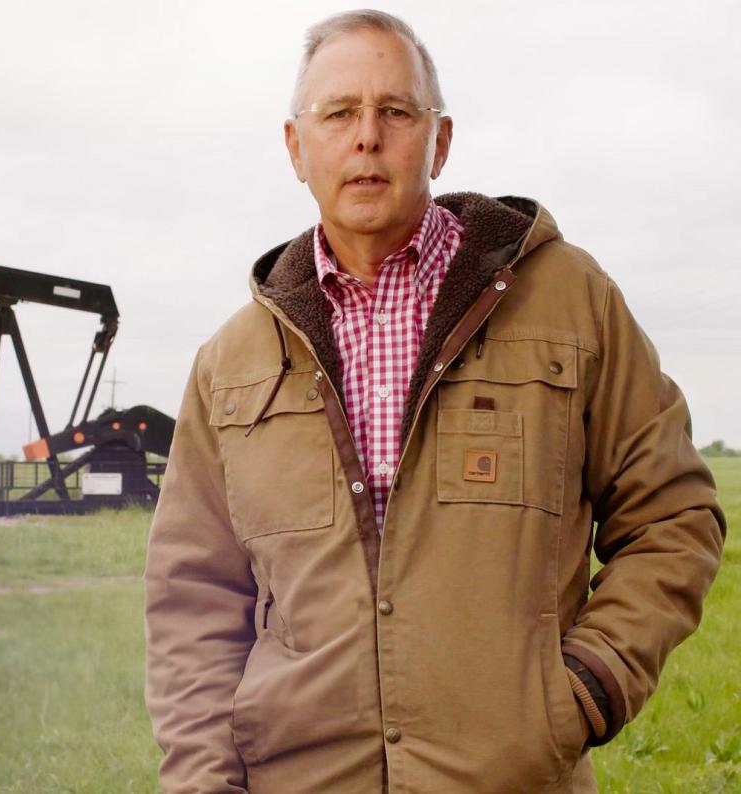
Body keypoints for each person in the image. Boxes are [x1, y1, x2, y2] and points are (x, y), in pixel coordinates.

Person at [144, 9, 726, 793]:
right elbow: (193, 601)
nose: (366, 138)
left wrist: (585, 687)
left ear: (440, 140)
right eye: (339, 113)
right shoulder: (232, 364)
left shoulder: (569, 301)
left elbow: (673, 515)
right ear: (295, 147)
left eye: (395, 111)